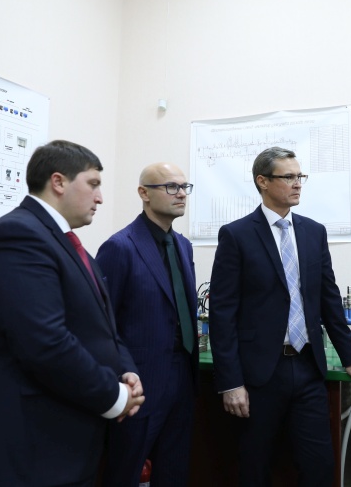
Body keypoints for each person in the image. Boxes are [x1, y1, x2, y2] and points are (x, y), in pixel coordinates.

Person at [0, 139, 144, 486]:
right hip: (29, 447)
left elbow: (101, 326)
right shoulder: (17, 235)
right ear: (58, 182)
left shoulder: (67, 244)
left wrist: (125, 370)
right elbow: (44, 342)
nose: (100, 198)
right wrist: (114, 395)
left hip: (66, 438)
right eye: (93, 184)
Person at [209, 146, 351, 487]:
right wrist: (231, 382)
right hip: (259, 373)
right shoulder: (236, 235)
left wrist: (350, 355)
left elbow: (328, 298)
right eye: (289, 177)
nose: (298, 184)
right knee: (255, 464)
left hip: (308, 366)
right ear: (263, 181)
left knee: (318, 464)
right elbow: (222, 314)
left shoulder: (313, 232)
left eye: (300, 176)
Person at [95, 163, 199, 486]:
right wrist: (120, 376)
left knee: (174, 470)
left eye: (184, 187)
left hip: (183, 376)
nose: (181, 194)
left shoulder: (183, 245)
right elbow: (102, 324)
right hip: (140, 381)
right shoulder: (120, 246)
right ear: (144, 193)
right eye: (171, 187)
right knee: (126, 472)